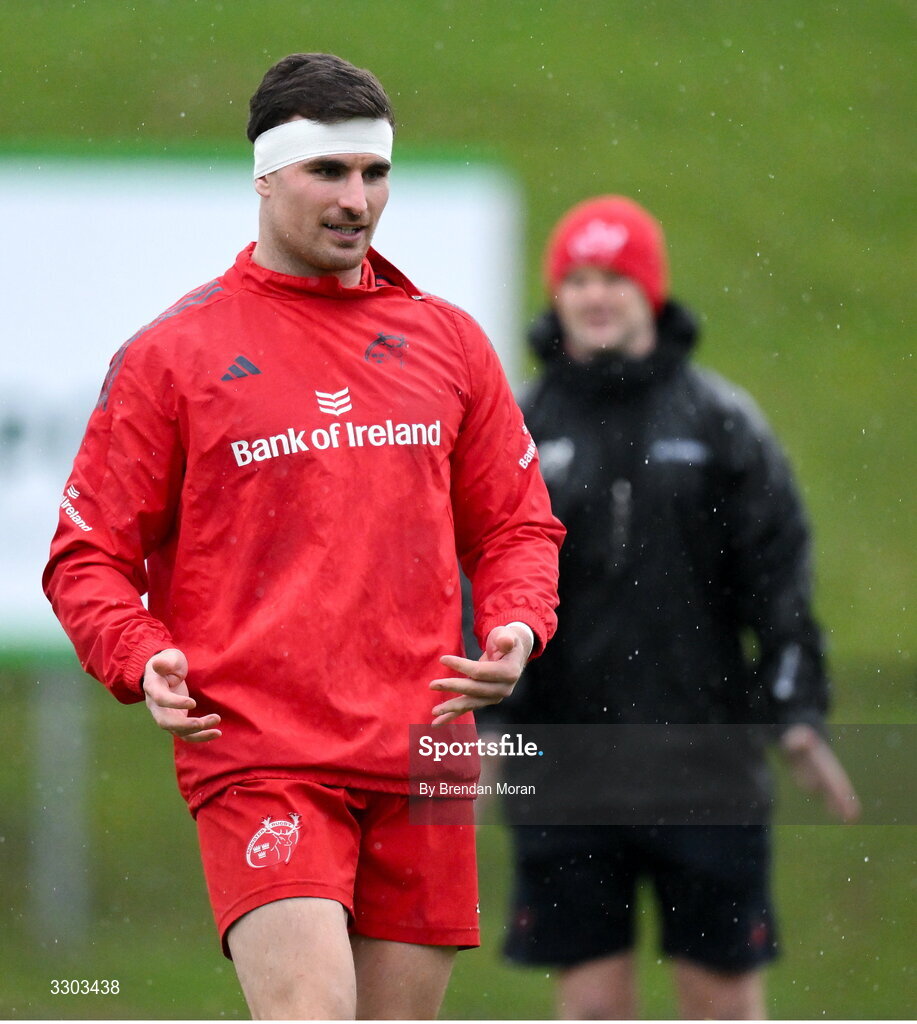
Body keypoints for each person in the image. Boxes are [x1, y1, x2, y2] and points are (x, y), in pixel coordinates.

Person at [42, 53, 563, 1020]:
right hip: (262, 751)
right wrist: (139, 652)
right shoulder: (174, 357)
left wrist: (518, 626)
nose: (356, 199)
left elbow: (517, 524)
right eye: (329, 172)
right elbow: (87, 557)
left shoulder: (448, 343)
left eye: (375, 173)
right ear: (266, 176)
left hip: (425, 747)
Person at [492, 196, 859, 1020]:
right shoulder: (517, 424)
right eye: (577, 278)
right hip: (566, 768)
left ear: (648, 291)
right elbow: (480, 584)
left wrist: (796, 713)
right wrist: (485, 728)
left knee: (720, 999)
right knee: (589, 1002)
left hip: (705, 762)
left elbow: (780, 582)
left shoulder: (722, 423)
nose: (594, 297)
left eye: (614, 278)